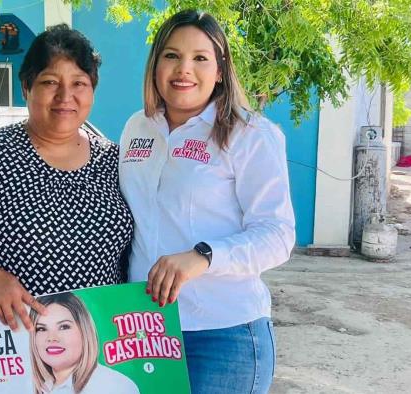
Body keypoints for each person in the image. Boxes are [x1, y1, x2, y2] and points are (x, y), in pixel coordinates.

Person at [119, 10, 296, 394]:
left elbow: (277, 235)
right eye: (171, 55)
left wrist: (203, 255)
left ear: (219, 70)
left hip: (222, 335)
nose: (184, 69)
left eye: (200, 58)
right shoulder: (137, 127)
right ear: (155, 65)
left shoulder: (250, 134)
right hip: (143, 331)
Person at [0, 24, 133, 331]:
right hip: (1, 341)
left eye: (79, 83)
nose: (65, 96)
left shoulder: (115, 162)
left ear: (92, 90)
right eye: (49, 82)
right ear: (26, 87)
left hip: (91, 345)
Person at [29, 292, 139, 394]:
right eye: (41, 329)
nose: (51, 338)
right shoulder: (42, 387)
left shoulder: (114, 385)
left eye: (64, 327)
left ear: (84, 331)